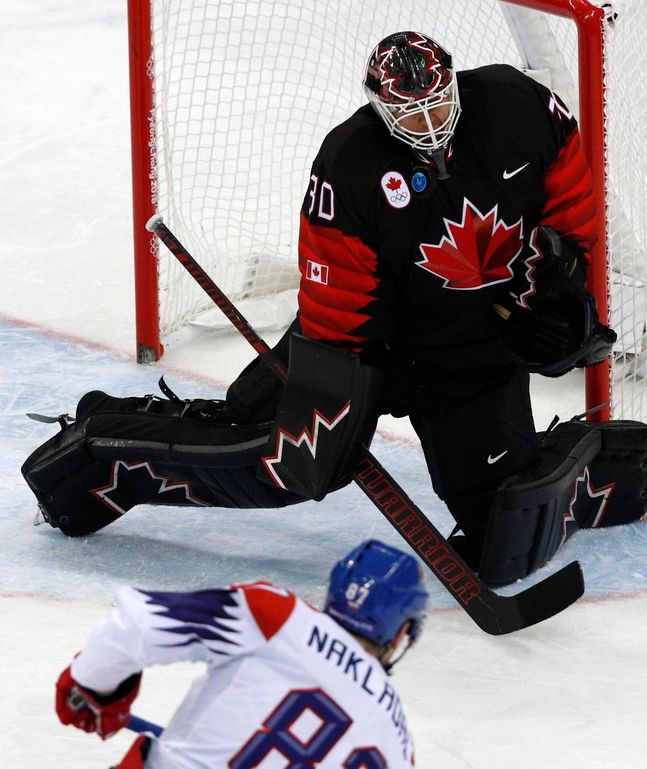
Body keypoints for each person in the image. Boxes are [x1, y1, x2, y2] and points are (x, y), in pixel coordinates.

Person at [223, 30, 626, 579]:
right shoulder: (350, 162)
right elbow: (335, 300)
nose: (429, 125)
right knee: (272, 452)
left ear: (454, 85)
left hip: (473, 352)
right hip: (377, 343)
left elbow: (573, 209)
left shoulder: (516, 103)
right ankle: (111, 457)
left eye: (437, 105)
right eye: (410, 114)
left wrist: (558, 291)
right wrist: (335, 386)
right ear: (378, 105)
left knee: (499, 537)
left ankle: (594, 461)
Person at [6, 540, 429, 769]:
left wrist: (92, 689)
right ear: (403, 632)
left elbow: (136, 625)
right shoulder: (397, 755)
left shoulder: (277, 616)